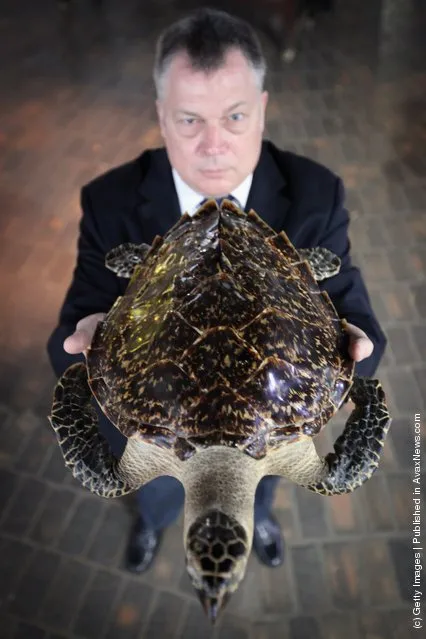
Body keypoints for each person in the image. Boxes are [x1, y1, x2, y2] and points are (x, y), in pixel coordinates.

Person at [47, 7, 387, 575]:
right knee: (153, 495)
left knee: (256, 488)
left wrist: (355, 350)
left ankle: (262, 521)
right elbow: (69, 332)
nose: (212, 145)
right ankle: (154, 525)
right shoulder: (109, 200)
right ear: (160, 116)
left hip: (264, 434)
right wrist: (80, 345)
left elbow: (357, 316)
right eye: (189, 120)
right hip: (159, 436)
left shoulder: (314, 194)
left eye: (234, 116)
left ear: (262, 110)